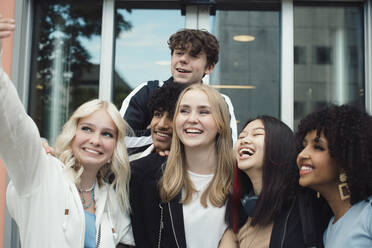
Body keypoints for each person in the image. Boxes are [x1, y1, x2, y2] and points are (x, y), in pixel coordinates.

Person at [0, 17, 134, 247]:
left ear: (115, 147)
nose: (95, 140)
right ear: (72, 133)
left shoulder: (112, 201)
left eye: (107, 134)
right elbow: (13, 123)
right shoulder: (40, 173)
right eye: (86, 129)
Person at [130, 83, 235, 247]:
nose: (192, 119)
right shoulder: (143, 175)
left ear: (221, 123)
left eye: (204, 112)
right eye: (184, 111)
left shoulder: (240, 180)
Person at [120, 29, 237, 156]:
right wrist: (168, 137)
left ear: (209, 67)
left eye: (193, 56)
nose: (183, 60)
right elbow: (118, 140)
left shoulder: (220, 101)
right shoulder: (147, 90)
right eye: (179, 53)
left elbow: (228, 149)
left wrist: (172, 138)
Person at [220, 116, 314, 248]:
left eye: (257, 134)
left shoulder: (304, 206)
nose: (244, 140)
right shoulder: (240, 214)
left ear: (280, 145)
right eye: (241, 137)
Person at [296, 104, 372, 248]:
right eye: (303, 146)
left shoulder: (368, 215)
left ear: (345, 160)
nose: (301, 155)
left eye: (318, 147)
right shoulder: (328, 230)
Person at [128, 81, 187, 161]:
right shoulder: (129, 164)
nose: (161, 125)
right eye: (158, 115)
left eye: (172, 117)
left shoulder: (198, 169)